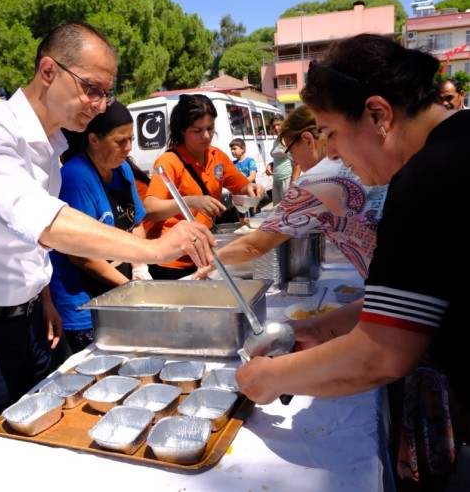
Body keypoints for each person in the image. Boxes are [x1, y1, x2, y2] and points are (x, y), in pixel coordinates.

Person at [236, 33, 470, 490]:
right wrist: (321, 329)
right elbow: (415, 300)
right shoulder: (456, 144)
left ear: (378, 114)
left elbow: (380, 354)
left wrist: (271, 377)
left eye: (333, 133)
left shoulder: (426, 180)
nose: (333, 154)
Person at [0, 21, 215, 437]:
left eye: (106, 92)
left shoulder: (53, 147)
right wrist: (155, 252)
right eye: (92, 88)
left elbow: (27, 244)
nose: (99, 104)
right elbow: (40, 219)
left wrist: (42, 296)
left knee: (43, 430)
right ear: (49, 71)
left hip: (32, 320)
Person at [194, 104, 387, 281]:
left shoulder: (315, 180)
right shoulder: (357, 160)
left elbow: (254, 246)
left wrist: (211, 262)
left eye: (291, 152)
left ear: (308, 140)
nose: (294, 161)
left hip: (392, 282)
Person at [50, 102, 152, 354]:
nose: (128, 147)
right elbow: (81, 255)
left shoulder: (123, 169)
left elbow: (136, 220)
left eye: (131, 139)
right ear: (94, 140)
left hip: (118, 288)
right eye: (120, 141)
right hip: (85, 302)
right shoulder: (76, 178)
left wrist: (140, 267)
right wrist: (131, 289)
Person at [143, 93, 265, 280]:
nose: (206, 136)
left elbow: (242, 186)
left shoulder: (218, 157)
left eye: (210, 128)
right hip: (172, 260)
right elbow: (150, 208)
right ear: (183, 130)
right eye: (197, 131)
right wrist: (190, 201)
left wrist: (252, 189)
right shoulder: (169, 161)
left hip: (202, 255)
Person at [265, 113, 301, 205]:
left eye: (278, 125)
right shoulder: (275, 141)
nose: (276, 128)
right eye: (273, 126)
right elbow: (279, 157)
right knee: (279, 211)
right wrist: (270, 165)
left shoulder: (288, 139)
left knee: (288, 208)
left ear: (284, 125)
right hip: (276, 180)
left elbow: (297, 161)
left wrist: (293, 183)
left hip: (287, 179)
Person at [229, 137, 258, 219]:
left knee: (253, 215)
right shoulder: (232, 164)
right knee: (242, 215)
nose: (232, 151)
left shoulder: (250, 161)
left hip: (251, 192)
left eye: (234, 149)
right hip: (239, 194)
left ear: (243, 149)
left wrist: (241, 184)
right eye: (231, 149)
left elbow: (252, 176)